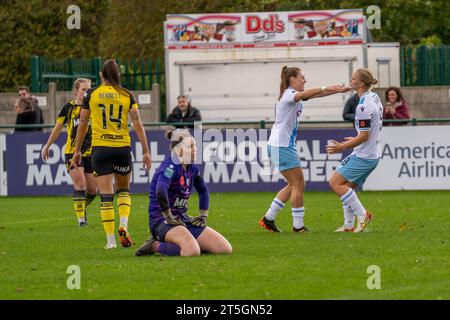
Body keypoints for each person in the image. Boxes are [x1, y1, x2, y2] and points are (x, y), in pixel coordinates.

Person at [259, 66, 350, 233]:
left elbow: (314, 94)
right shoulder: (289, 95)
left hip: (280, 145)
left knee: (292, 185)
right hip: (282, 145)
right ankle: (298, 227)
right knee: (298, 185)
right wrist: (325, 87)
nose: (304, 80)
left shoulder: (291, 95)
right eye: (302, 77)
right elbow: (304, 94)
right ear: (292, 79)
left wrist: (337, 90)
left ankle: (268, 218)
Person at [72, 59, 152, 249]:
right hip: (122, 148)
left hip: (100, 149)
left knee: (106, 195)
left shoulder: (91, 94)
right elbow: (138, 124)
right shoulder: (127, 95)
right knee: (123, 189)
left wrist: (77, 150)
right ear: (118, 74)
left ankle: (110, 241)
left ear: (102, 75)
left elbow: (83, 124)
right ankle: (123, 225)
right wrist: (146, 151)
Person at [135, 129, 232, 257]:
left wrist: (203, 215)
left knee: (224, 249)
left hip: (182, 219)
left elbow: (203, 190)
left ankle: (188, 242)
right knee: (192, 251)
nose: (195, 149)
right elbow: (160, 190)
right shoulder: (169, 168)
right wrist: (168, 217)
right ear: (178, 150)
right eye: (190, 146)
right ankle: (154, 245)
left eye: (195, 145)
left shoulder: (192, 168)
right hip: (161, 221)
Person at [326, 68, 383, 233]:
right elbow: (368, 132)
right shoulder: (373, 97)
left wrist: (341, 147)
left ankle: (363, 215)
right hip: (370, 153)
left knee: (335, 183)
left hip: (364, 155)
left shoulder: (363, 106)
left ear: (361, 83)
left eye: (353, 79)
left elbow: (364, 136)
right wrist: (355, 139)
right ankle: (348, 225)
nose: (351, 81)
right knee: (346, 187)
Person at [41, 78, 97, 227]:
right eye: (84, 89)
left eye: (89, 89)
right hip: (72, 152)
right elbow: (58, 128)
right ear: (76, 91)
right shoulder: (68, 108)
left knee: (92, 191)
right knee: (80, 185)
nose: (87, 92)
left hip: (90, 152)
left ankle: (81, 207)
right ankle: (81, 220)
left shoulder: (94, 107)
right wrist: (47, 146)